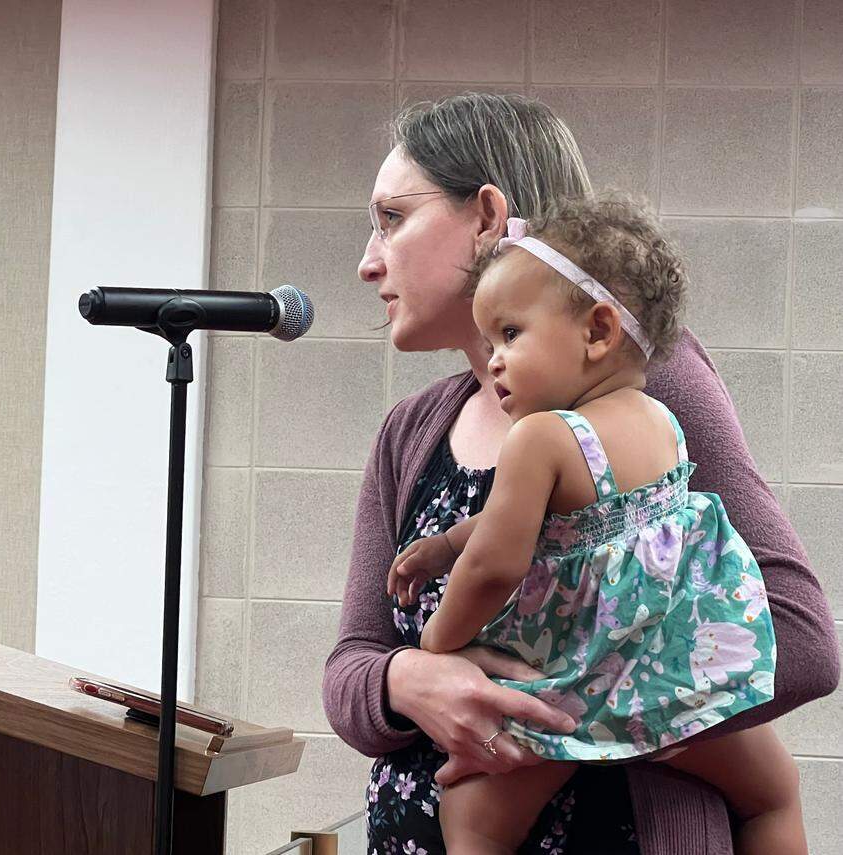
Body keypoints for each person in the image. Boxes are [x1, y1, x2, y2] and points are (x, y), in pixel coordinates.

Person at [322, 93, 839, 855]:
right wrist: (407, 679)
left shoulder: (641, 383)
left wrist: (574, 712)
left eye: (392, 218)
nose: (369, 261)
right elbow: (351, 667)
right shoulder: (410, 432)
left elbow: (799, 637)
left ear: (487, 216)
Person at [386, 195, 803, 855]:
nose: (493, 360)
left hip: (576, 691)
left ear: (599, 330)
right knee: (774, 794)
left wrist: (437, 643)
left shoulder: (541, 438)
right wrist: (444, 545)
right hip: (677, 684)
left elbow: (496, 563)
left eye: (510, 334)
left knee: (473, 820)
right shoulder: (662, 423)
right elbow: (572, 523)